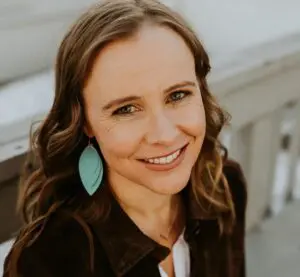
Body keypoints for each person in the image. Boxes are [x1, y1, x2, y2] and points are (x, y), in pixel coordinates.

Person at [3, 0, 247, 276]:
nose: (164, 135)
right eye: (126, 109)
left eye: (178, 95)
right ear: (84, 122)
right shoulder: (48, 259)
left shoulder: (224, 187)